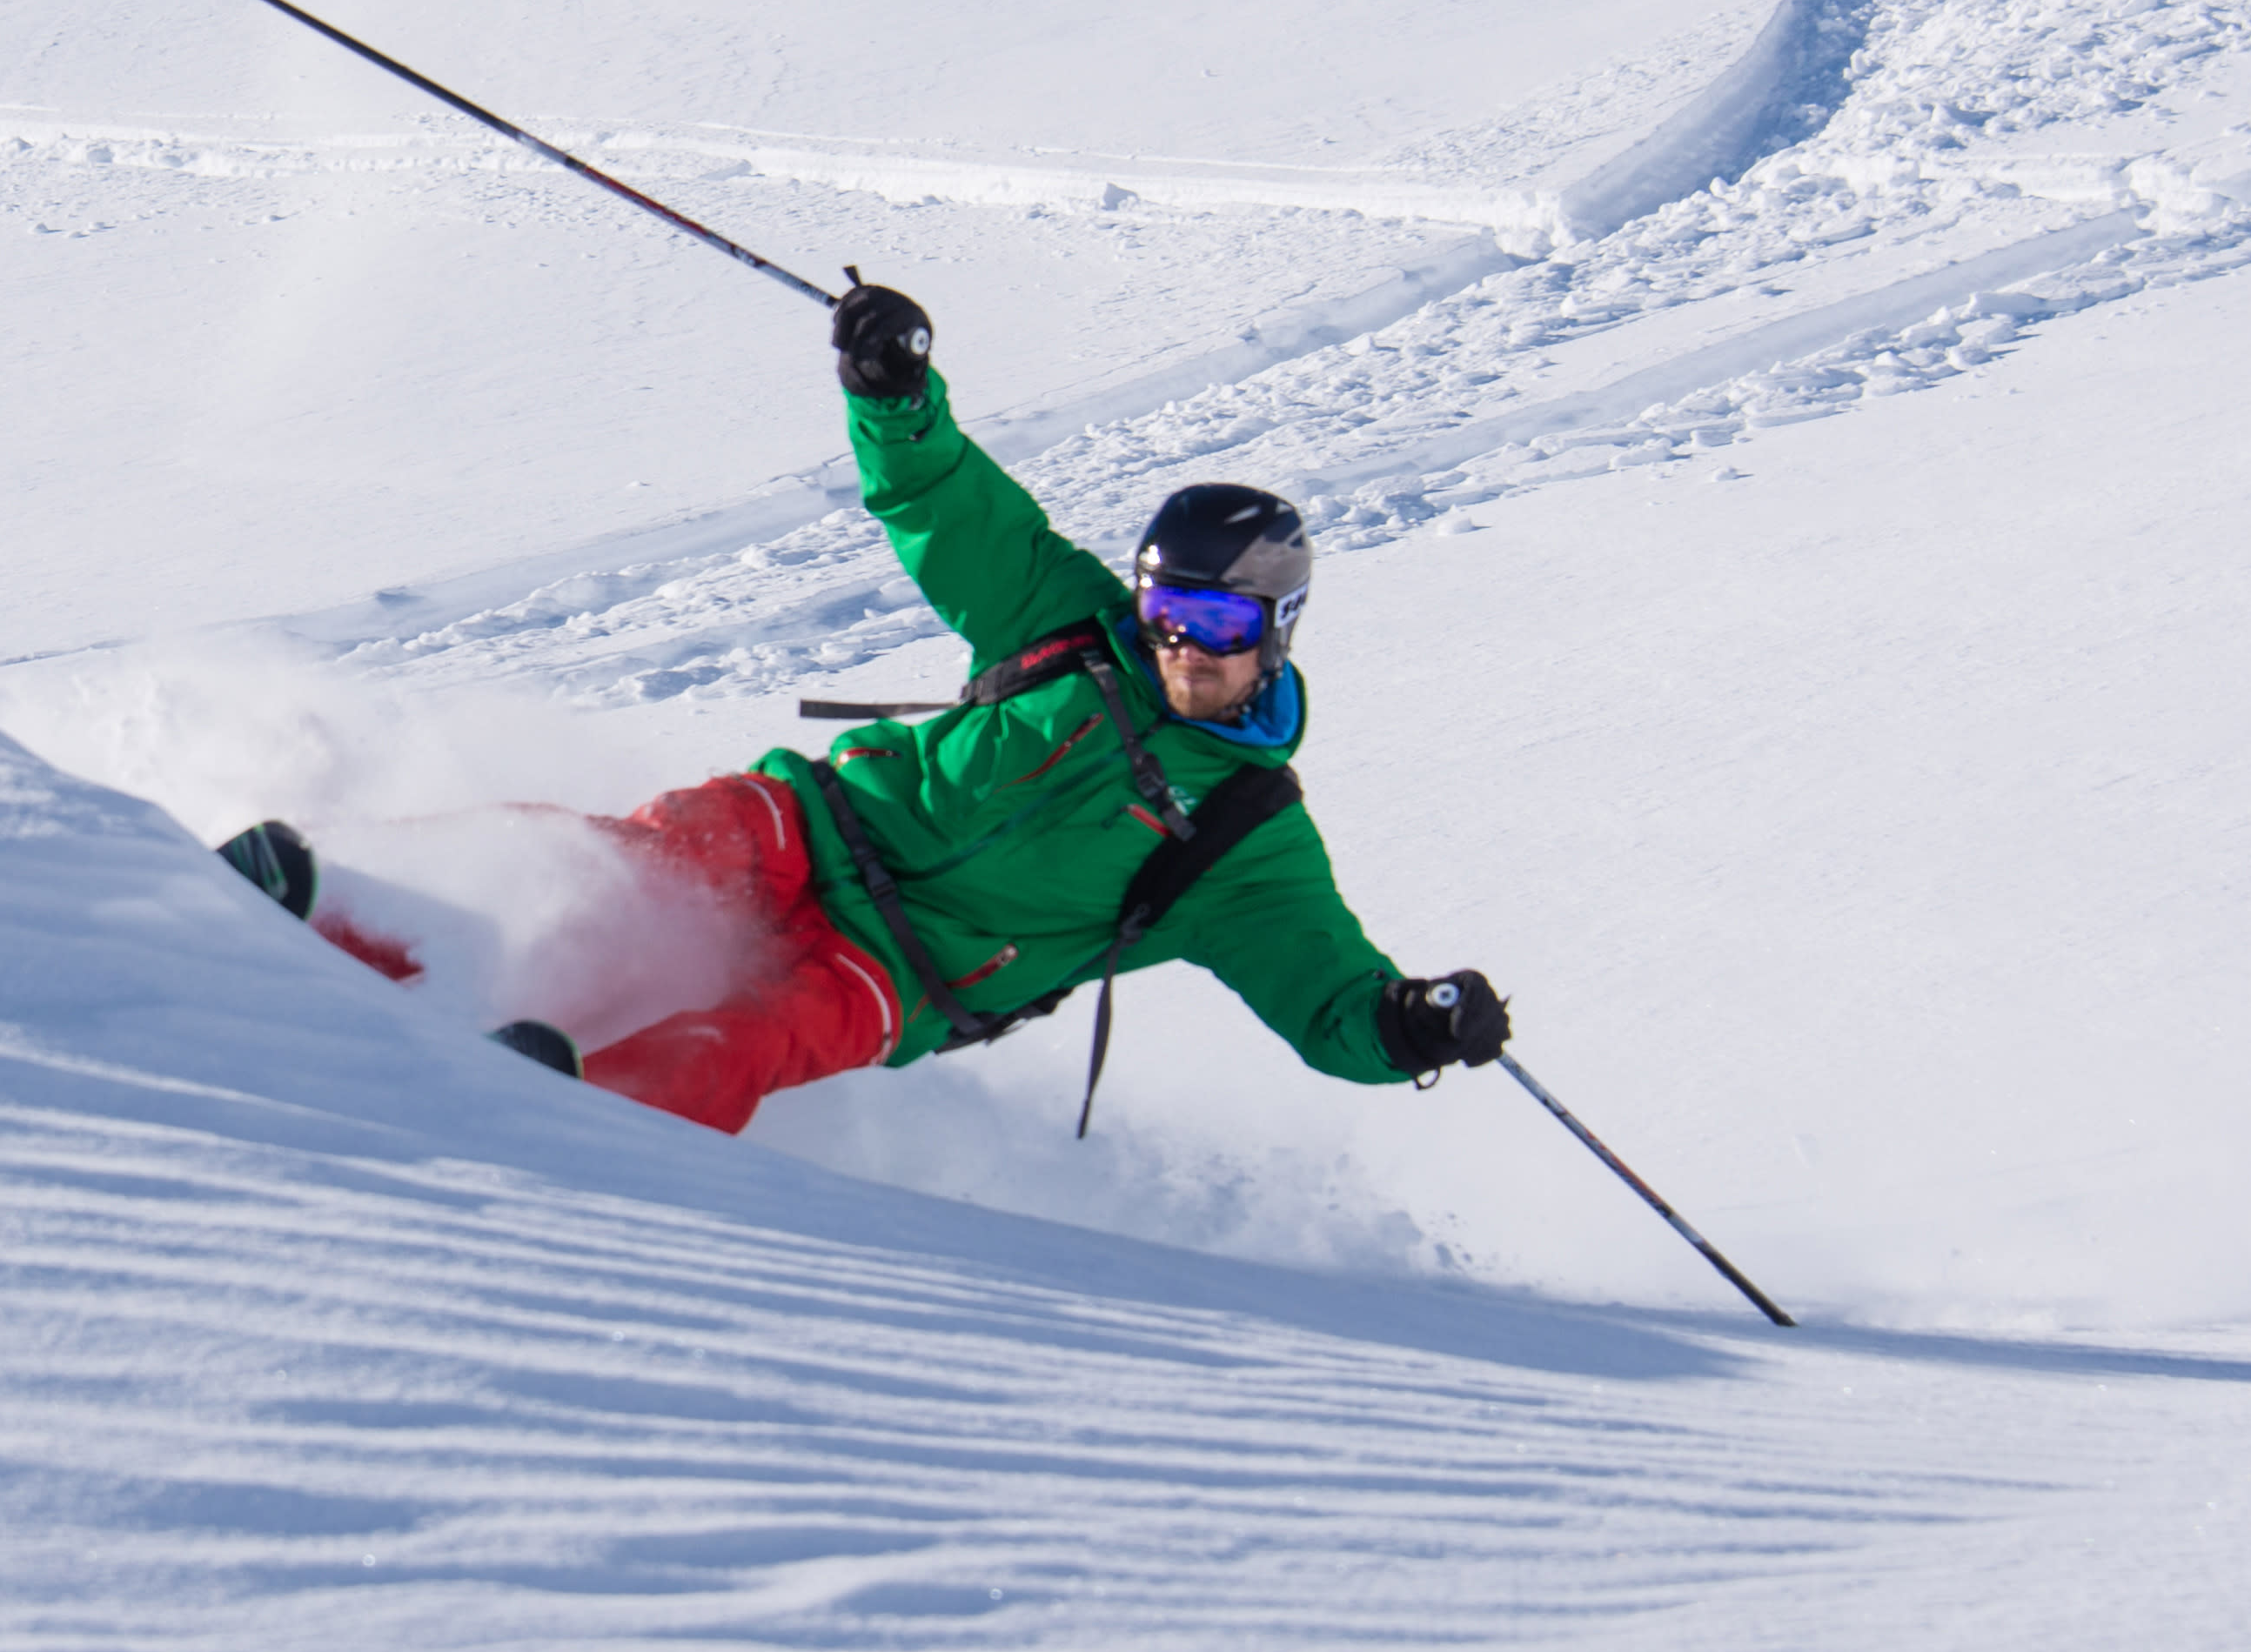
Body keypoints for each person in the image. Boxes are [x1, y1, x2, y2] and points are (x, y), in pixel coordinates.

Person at [222, 277, 1511, 1133]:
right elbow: (949, 506)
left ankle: (565, 1131)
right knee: (630, 862)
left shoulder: (1247, 838)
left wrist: (1411, 1026)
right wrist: (892, 394)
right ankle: (321, 911)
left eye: (1218, 623)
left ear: (1276, 630)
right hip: (818, 829)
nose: (1180, 642)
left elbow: (1331, 1005)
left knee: (750, 1043)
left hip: (901, 973)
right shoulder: (1076, 630)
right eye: (1166, 605)